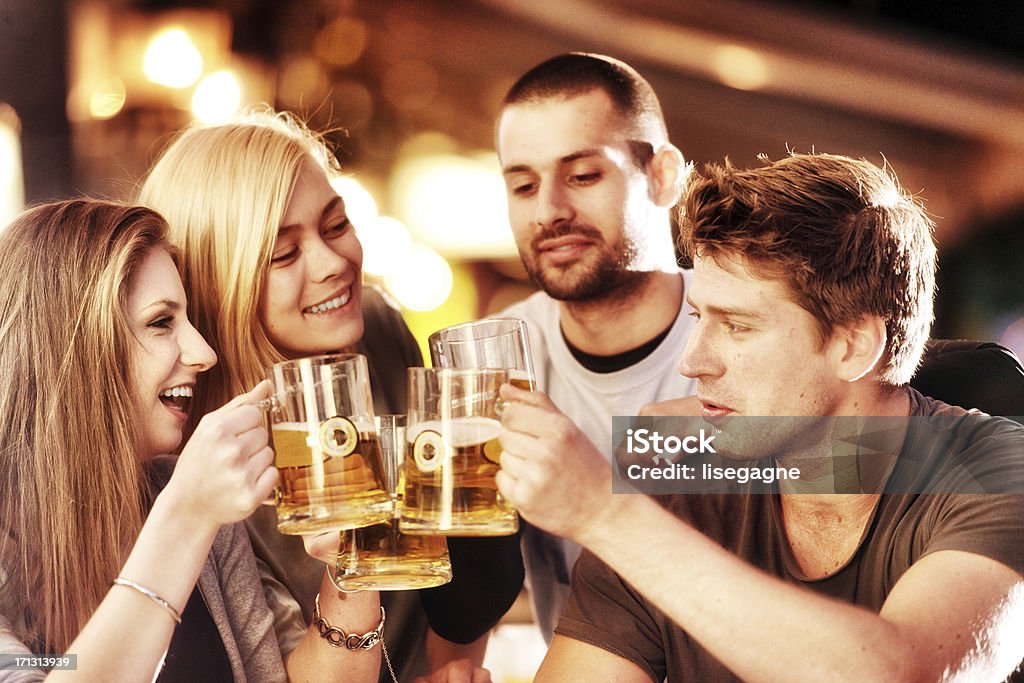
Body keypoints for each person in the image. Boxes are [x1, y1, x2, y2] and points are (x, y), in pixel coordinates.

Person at [496, 152, 1024, 681]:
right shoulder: (676, 482)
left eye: (739, 326)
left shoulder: (1001, 470)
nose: (692, 362)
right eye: (701, 317)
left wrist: (602, 514)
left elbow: (901, 673)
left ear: (854, 346)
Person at [138, 110, 519, 682]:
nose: (332, 263)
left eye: (336, 225)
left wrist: (456, 664)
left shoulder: (378, 329)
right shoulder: (187, 446)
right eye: (284, 255)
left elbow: (459, 563)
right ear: (220, 280)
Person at [0, 199, 382, 682]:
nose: (204, 353)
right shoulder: (188, 502)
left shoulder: (180, 492)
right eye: (162, 322)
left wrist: (351, 567)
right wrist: (187, 513)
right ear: (69, 350)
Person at [494, 52, 698, 641]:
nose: (549, 211)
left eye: (583, 175)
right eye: (523, 185)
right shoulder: (498, 361)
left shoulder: (749, 333)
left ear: (662, 175)